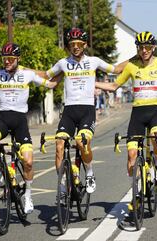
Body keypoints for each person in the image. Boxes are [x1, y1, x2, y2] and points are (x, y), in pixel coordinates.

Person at [95, 31, 157, 209]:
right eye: (141, 47)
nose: (144, 50)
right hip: (137, 113)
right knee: (132, 157)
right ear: (137, 49)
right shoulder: (131, 66)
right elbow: (114, 85)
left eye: (148, 47)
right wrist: (92, 83)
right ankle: (137, 190)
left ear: (153, 47)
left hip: (155, 111)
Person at [33, 28, 127, 194]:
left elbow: (117, 69)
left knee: (81, 142)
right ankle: (62, 184)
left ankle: (90, 173)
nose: (75, 47)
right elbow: (46, 76)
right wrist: (23, 70)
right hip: (69, 111)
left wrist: (137, 56)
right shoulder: (63, 63)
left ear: (85, 44)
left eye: (78, 44)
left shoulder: (94, 61)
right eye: (72, 44)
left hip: (86, 110)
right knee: (59, 144)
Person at [0, 43, 57, 214]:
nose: (7, 62)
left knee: (28, 162)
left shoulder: (27, 74)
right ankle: (1, 172)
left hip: (20, 123)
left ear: (18, 59)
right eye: (4, 59)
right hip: (2, 119)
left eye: (10, 59)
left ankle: (28, 195)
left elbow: (50, 84)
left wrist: (65, 73)